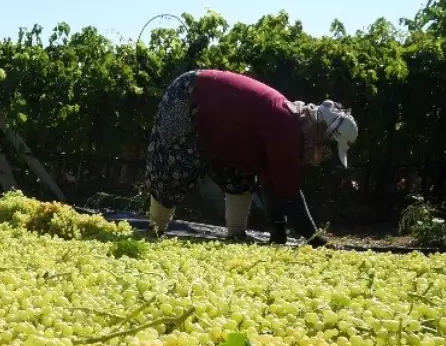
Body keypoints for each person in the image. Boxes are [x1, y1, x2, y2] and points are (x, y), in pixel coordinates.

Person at [143, 69, 357, 246]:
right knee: (173, 166)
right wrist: (316, 241)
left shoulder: (292, 125)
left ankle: (236, 236)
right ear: (319, 134)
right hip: (189, 95)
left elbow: (271, 182)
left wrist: (278, 236)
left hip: (220, 124)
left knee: (239, 174)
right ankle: (155, 231)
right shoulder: (285, 127)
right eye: (328, 148)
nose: (326, 155)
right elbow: (289, 193)